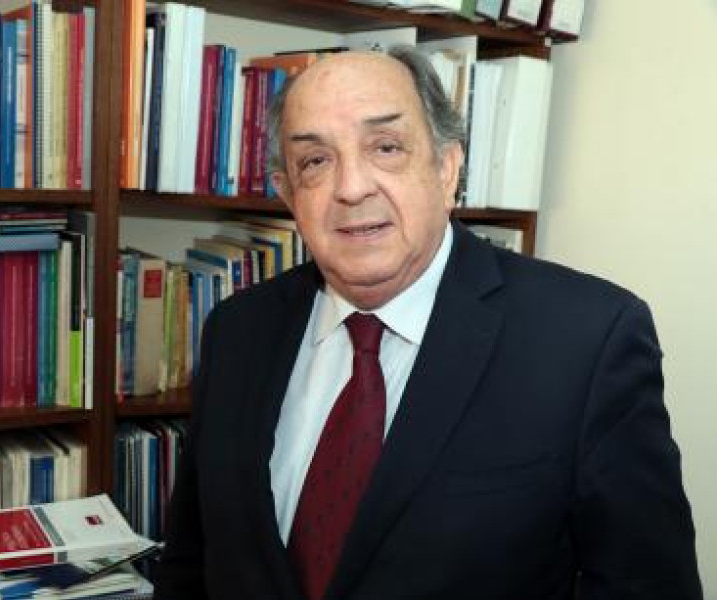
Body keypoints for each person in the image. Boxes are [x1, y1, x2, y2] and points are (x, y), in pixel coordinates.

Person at [152, 46, 702, 600]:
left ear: (446, 169)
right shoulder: (235, 330)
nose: (351, 187)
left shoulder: (588, 340)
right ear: (289, 194)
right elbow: (191, 566)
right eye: (315, 161)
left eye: (386, 147)